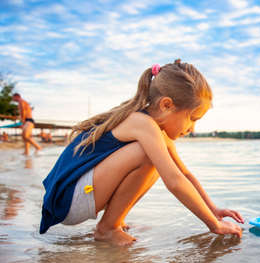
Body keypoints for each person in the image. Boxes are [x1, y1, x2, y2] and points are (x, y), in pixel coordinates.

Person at [40, 59, 244, 246]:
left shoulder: (154, 129)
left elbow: (185, 175)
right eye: (192, 118)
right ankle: (108, 228)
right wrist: (213, 225)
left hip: (76, 198)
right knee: (147, 155)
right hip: (68, 201)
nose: (192, 128)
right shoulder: (142, 123)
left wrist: (213, 210)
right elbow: (174, 182)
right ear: (166, 105)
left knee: (153, 157)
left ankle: (114, 222)